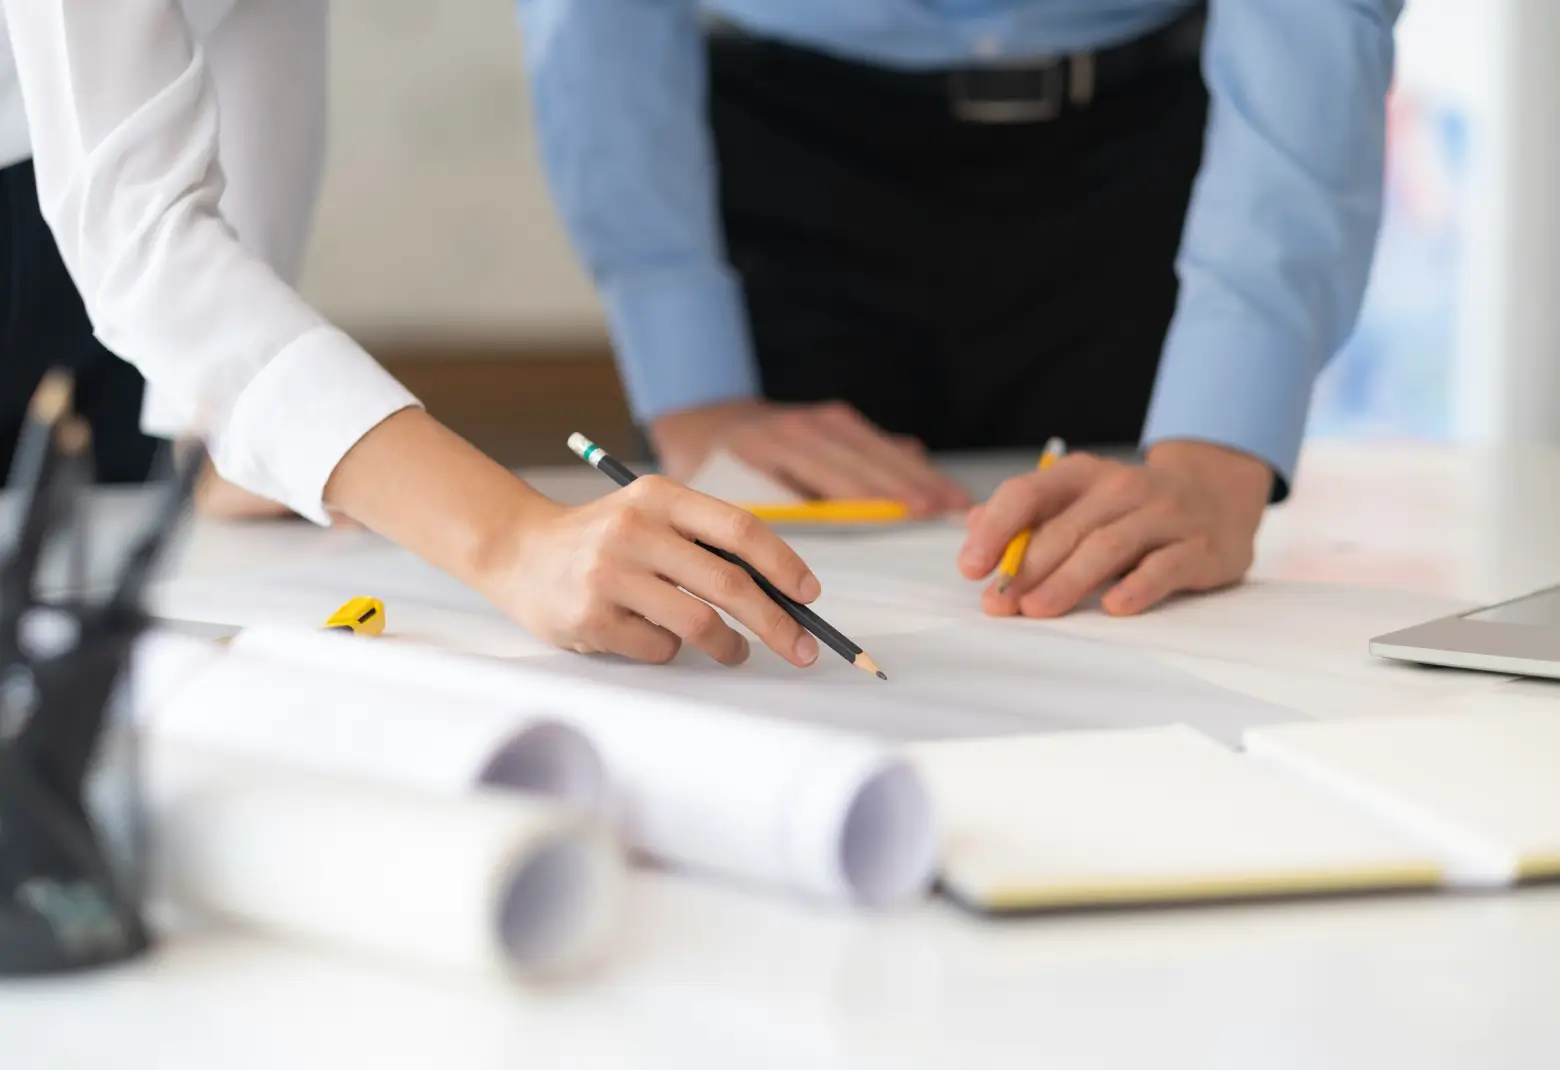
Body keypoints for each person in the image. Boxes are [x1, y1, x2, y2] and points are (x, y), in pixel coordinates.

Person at [0, 0, 829, 672]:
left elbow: (240, 40)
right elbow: (143, 246)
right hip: (87, 220)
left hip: (86, 202)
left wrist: (221, 423)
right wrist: (513, 540)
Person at [516, 0, 1403, 616]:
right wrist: (694, 387)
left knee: (1126, 625)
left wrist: (1218, 454)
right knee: (754, 654)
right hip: (773, 158)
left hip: (1141, 154)